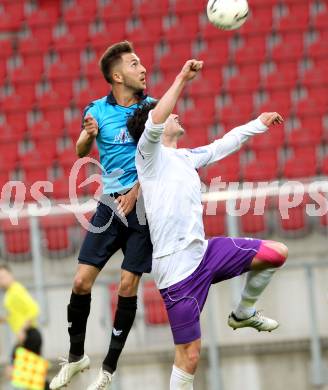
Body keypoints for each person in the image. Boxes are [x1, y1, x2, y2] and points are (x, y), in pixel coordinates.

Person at [127, 59, 288, 390]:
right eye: (168, 112)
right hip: (176, 271)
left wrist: (257, 123)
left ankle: (243, 313)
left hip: (205, 253)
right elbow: (156, 120)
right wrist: (181, 78)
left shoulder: (185, 157)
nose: (175, 113)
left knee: (276, 252)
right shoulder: (148, 155)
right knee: (189, 355)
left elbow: (221, 146)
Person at [50, 41, 154, 390]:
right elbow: (81, 151)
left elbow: (162, 157)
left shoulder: (152, 108)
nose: (143, 69)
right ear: (117, 75)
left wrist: (137, 190)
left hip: (142, 208)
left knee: (127, 285)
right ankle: (77, 357)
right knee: (80, 282)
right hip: (109, 206)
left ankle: (108, 368)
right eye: (135, 63)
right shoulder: (96, 109)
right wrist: (86, 135)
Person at [0, 264, 47, 381]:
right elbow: (16, 313)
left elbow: (34, 309)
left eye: (4, 276)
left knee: (13, 369)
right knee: (32, 377)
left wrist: (22, 330)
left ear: (11, 275)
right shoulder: (10, 292)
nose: (2, 280)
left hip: (30, 335)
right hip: (28, 336)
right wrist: (4, 319)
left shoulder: (16, 290)